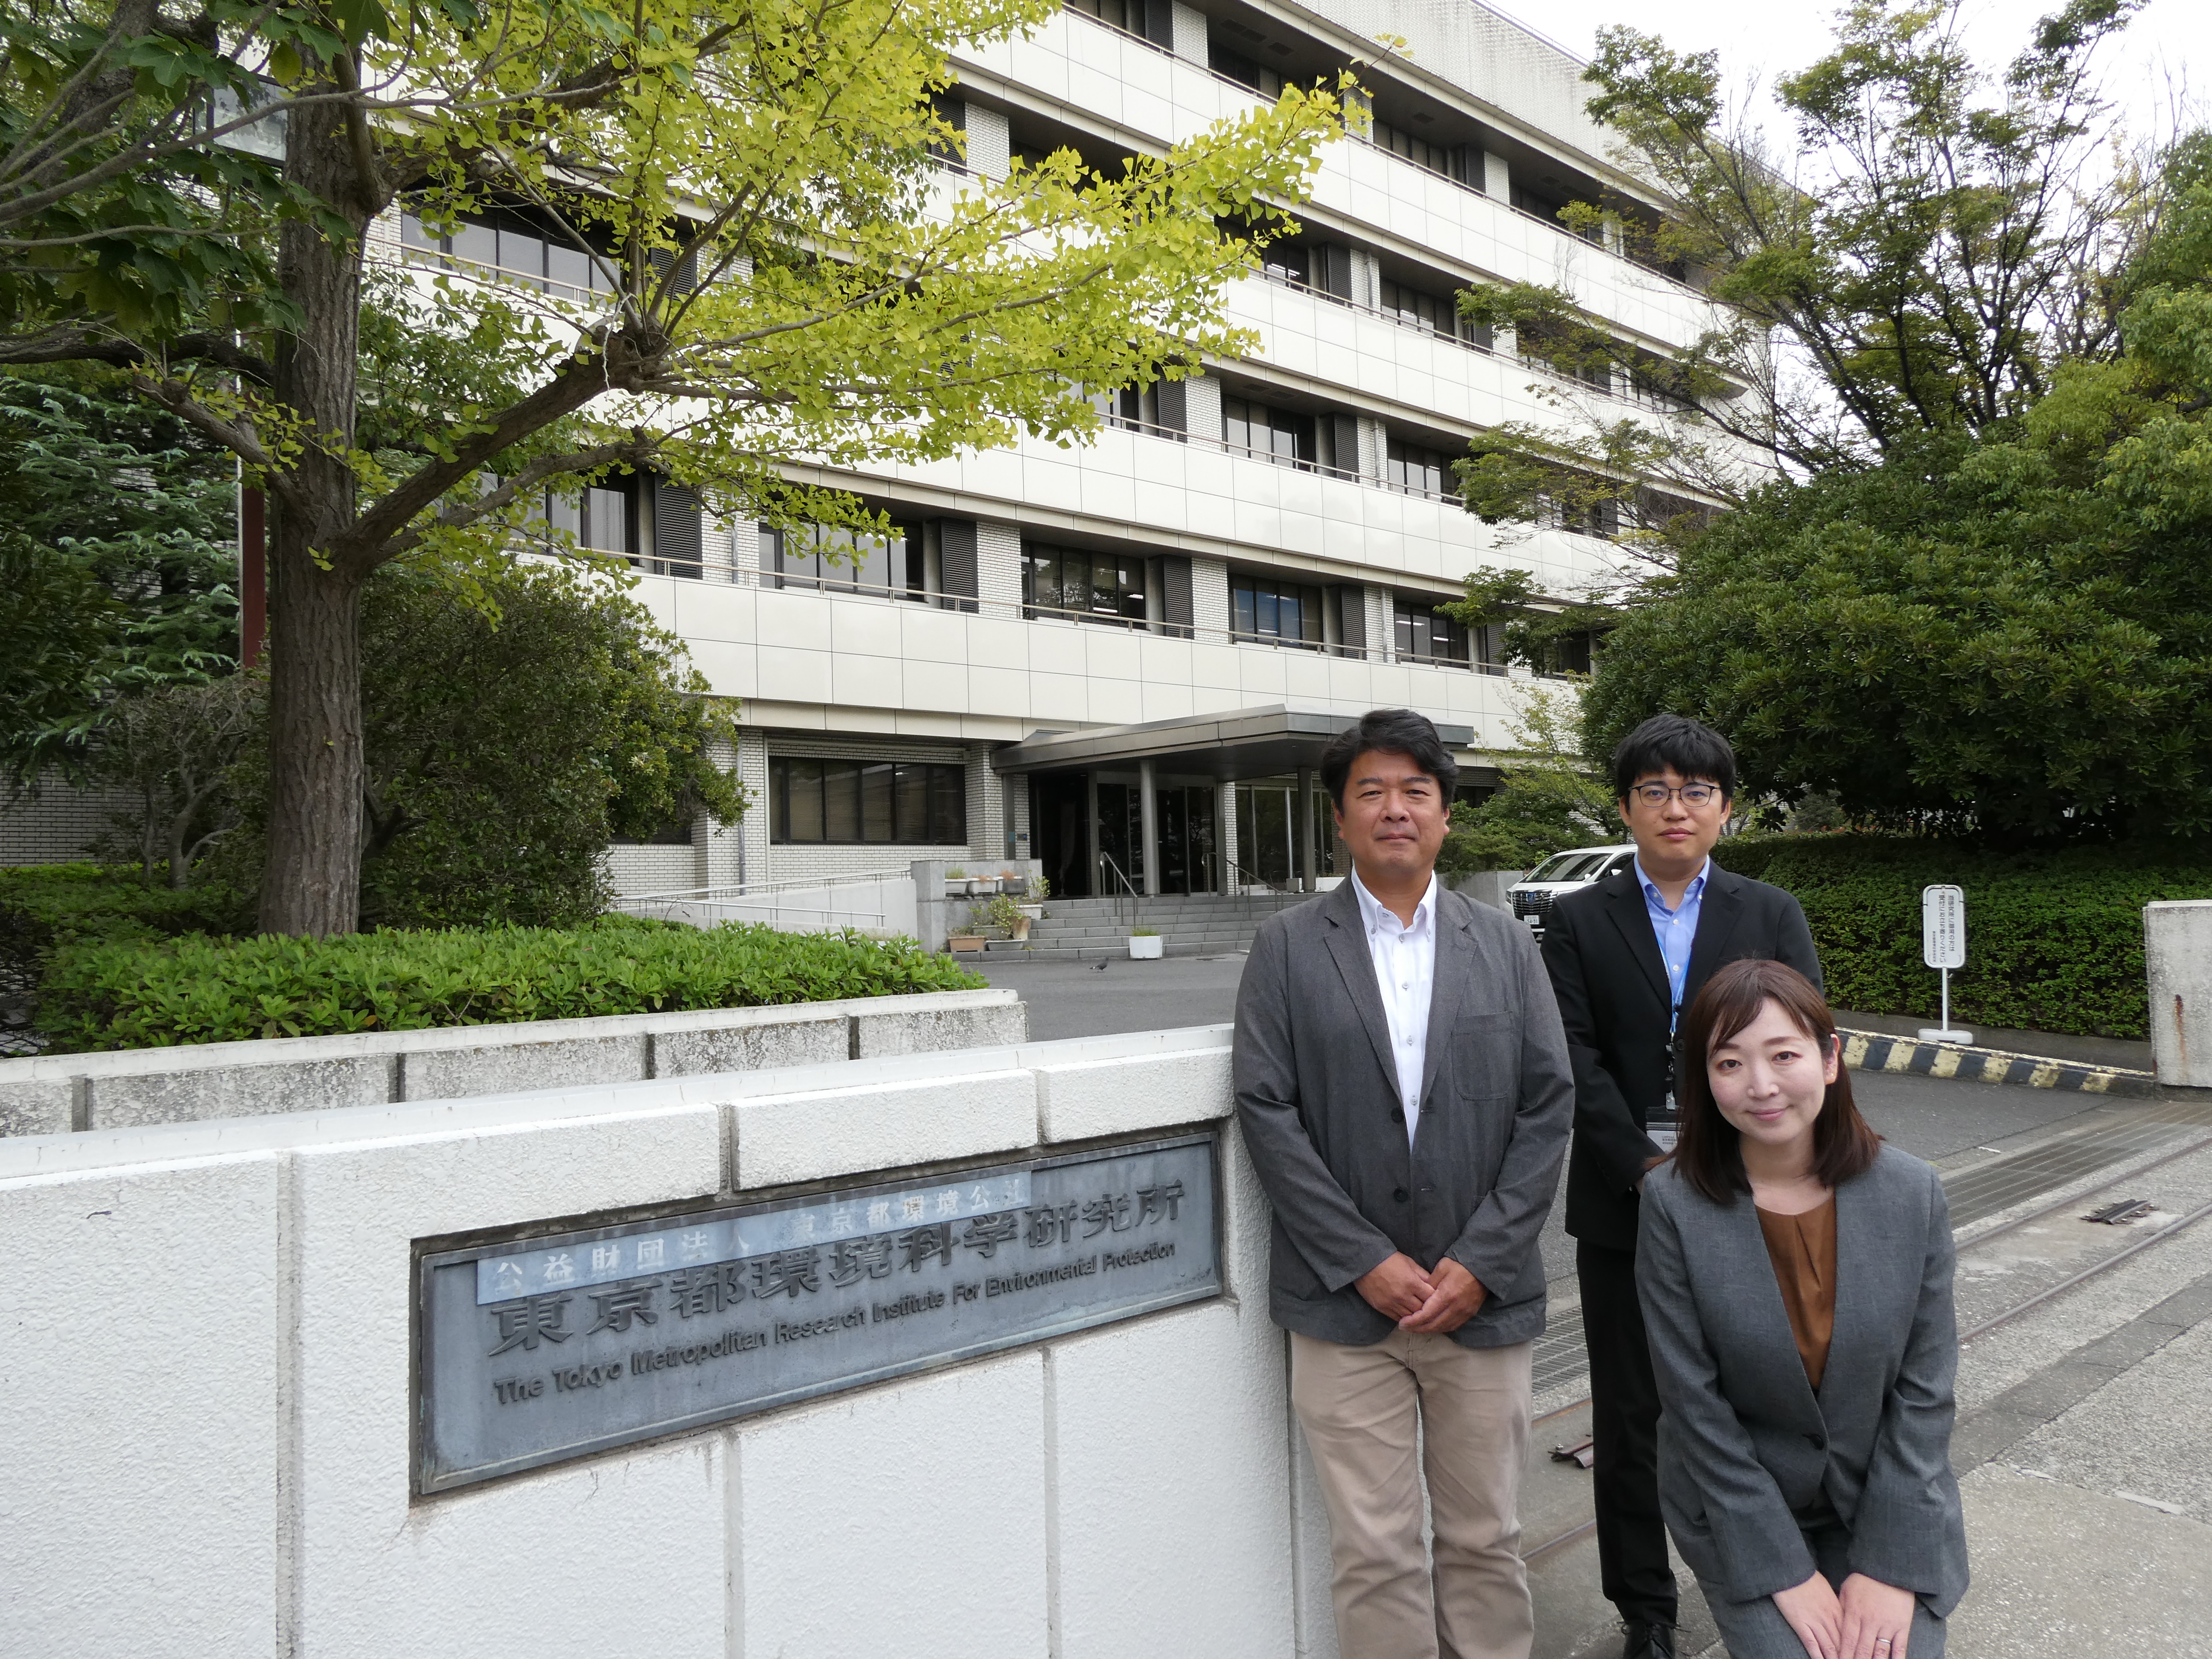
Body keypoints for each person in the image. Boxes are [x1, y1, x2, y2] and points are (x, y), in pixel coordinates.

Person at [1235, 708, 1574, 1659]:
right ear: (1339, 820)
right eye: (1371, 792)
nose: (1395, 809)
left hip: (1483, 1300)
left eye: (1415, 792)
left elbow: (1548, 1105)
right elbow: (1267, 1111)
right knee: (1376, 1551)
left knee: (1485, 1539)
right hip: (1346, 1314)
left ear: (1444, 816)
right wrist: (1362, 1261)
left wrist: (1482, 1258)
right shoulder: (1290, 947)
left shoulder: (1505, 944)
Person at [1541, 712, 1822, 1659]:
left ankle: (1773, 1576)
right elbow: (1571, 1059)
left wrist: (1721, 1167)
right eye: (1654, 790)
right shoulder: (1578, 918)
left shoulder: (1770, 913)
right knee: (1630, 1415)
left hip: (1750, 1192)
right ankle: (1646, 1611)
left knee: (1765, 1399)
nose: (1675, 807)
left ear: (1726, 809)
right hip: (1622, 1203)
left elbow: (1794, 1055)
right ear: (1624, 807)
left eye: (1696, 790)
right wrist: (1645, 1168)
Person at [1639, 958, 1968, 1658]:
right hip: (1741, 1506)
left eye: (1783, 1055)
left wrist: (1887, 1564)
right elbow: (1694, 1409)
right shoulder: (1672, 1205)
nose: (1760, 1086)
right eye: (1729, 1063)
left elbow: (1925, 1392)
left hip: (1882, 1500)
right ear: (1704, 1079)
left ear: (1828, 1059)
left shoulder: (1913, 1193)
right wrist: (1784, 1571)